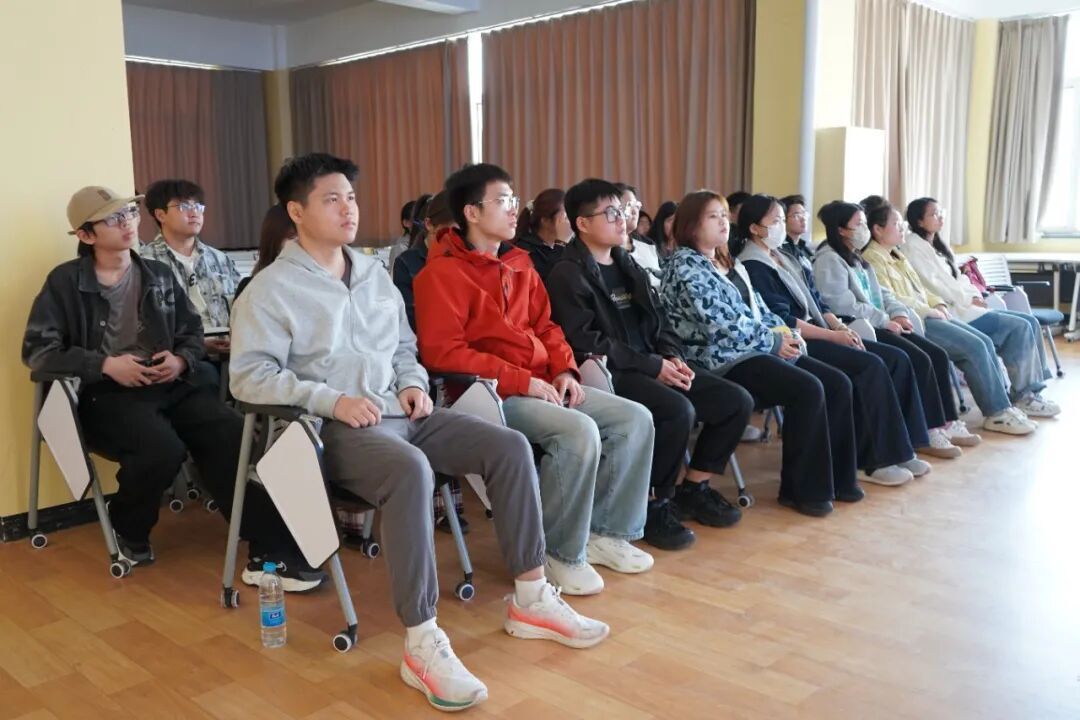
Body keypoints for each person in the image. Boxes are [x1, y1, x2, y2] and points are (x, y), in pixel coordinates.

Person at [230, 154, 608, 712]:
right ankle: (422, 641)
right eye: (332, 199)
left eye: (351, 197)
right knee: (411, 470)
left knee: (506, 445)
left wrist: (410, 382)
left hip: (404, 414)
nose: (349, 209)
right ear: (297, 211)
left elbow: (404, 346)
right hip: (331, 429)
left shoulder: (372, 275)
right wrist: (332, 400)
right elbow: (248, 376)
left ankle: (531, 597)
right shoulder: (271, 289)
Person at [23, 186, 321, 590]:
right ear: (86, 235)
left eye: (129, 213)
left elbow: (191, 332)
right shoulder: (64, 283)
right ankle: (128, 527)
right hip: (106, 394)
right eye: (113, 219)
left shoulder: (157, 274)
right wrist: (106, 365)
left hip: (169, 383)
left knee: (230, 431)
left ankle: (269, 547)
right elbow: (38, 350)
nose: (128, 223)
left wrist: (181, 360)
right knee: (161, 448)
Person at [414, 163, 655, 595]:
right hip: (486, 393)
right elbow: (443, 353)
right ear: (471, 212)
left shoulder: (519, 263)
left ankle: (606, 532)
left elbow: (547, 326)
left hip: (541, 381)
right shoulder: (440, 274)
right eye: (503, 200)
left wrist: (564, 368)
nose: (514, 209)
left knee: (634, 418)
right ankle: (557, 552)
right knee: (576, 431)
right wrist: (521, 381)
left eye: (513, 199)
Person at [547, 179, 754, 551]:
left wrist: (671, 355)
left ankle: (694, 488)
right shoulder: (568, 272)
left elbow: (660, 320)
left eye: (622, 210)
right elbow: (587, 341)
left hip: (654, 362)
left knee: (735, 401)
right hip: (612, 372)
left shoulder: (627, 263)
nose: (621, 218)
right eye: (610, 213)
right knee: (676, 411)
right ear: (583, 223)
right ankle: (653, 504)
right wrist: (653, 365)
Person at [660, 190, 865, 517]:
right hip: (719, 357)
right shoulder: (685, 265)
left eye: (724, 215)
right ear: (690, 225)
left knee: (837, 383)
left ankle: (838, 480)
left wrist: (786, 333)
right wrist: (772, 341)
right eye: (712, 216)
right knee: (807, 389)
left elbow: (759, 309)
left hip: (751, 348)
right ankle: (802, 491)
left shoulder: (727, 261)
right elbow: (720, 323)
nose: (723, 223)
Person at [734, 195, 930, 486]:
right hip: (798, 338)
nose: (781, 226)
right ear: (754, 228)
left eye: (781, 219)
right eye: (775, 221)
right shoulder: (753, 264)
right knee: (868, 367)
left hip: (821, 329)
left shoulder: (783, 256)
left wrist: (839, 326)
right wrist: (832, 335)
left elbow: (817, 301)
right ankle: (872, 460)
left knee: (893, 358)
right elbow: (782, 319)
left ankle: (899, 449)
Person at [812, 199, 975, 458]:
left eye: (864, 223)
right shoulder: (829, 259)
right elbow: (841, 304)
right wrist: (884, 319)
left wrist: (898, 312)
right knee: (912, 359)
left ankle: (943, 422)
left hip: (883, 321)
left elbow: (883, 293)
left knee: (935, 354)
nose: (864, 229)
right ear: (841, 230)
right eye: (858, 224)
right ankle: (924, 432)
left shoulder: (855, 255)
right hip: (860, 326)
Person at [861, 201, 1037, 435]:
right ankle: (996, 413)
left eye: (902, 223)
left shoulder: (896, 255)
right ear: (877, 229)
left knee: (984, 341)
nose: (902, 228)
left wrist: (938, 303)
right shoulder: (873, 258)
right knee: (973, 348)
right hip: (916, 321)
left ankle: (1004, 406)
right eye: (896, 224)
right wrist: (929, 310)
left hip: (933, 313)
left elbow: (922, 289)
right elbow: (891, 299)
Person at [901, 197, 1060, 420]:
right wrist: (967, 299)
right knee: (1019, 328)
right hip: (955, 311)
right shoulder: (913, 247)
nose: (940, 218)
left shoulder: (938, 245)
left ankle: (1031, 391)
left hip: (969, 306)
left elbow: (960, 277)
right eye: (933, 214)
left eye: (940, 212)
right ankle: (1024, 395)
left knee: (1030, 322)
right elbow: (934, 285)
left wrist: (974, 294)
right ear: (918, 221)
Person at [391, 191, 469, 534]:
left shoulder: (464, 258)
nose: (455, 236)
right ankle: (441, 506)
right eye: (449, 228)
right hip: (425, 356)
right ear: (429, 226)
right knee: (434, 399)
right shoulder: (409, 262)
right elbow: (412, 322)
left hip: (456, 354)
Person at [140, 179, 240, 355]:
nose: (194, 213)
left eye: (198, 206)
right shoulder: (145, 262)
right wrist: (197, 346)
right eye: (184, 206)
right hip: (178, 355)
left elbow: (242, 306)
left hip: (230, 350)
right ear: (160, 215)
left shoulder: (220, 259)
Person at [235, 203, 296, 300]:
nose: (300, 243)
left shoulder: (315, 283)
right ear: (274, 240)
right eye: (292, 237)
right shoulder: (251, 288)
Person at [514, 188, 572, 280]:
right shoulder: (525, 250)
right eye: (566, 217)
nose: (571, 221)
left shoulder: (571, 244)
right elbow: (550, 281)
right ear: (545, 221)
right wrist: (561, 243)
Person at [614, 183, 662, 287]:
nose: (635, 211)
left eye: (636, 205)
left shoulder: (647, 243)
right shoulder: (606, 248)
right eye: (629, 205)